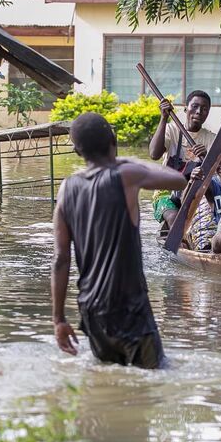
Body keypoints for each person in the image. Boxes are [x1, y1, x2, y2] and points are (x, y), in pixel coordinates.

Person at [52, 112, 187, 369]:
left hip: (91, 310)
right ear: (113, 142)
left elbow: (60, 259)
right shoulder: (126, 174)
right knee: (151, 382)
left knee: (108, 382)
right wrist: (129, 159)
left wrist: (58, 319)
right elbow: (178, 179)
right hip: (130, 308)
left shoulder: (67, 188)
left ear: (78, 152)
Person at [148, 90, 221, 230]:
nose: (199, 111)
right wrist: (163, 118)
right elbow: (154, 154)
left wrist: (207, 156)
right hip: (167, 193)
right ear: (185, 108)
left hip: (197, 194)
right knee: (174, 218)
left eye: (204, 109)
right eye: (194, 106)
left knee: (211, 221)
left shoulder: (212, 139)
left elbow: (219, 172)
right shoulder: (171, 129)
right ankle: (179, 236)